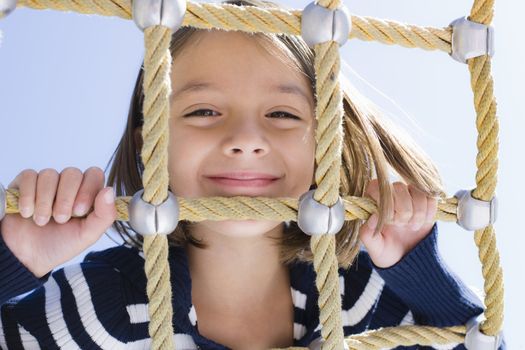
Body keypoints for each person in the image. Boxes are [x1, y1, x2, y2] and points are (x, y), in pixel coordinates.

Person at [0, 0, 506, 349]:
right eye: (202, 111)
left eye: (282, 114)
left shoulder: (360, 295)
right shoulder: (102, 307)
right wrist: (15, 260)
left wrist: (421, 274)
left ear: (325, 141)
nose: (246, 137)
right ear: (149, 140)